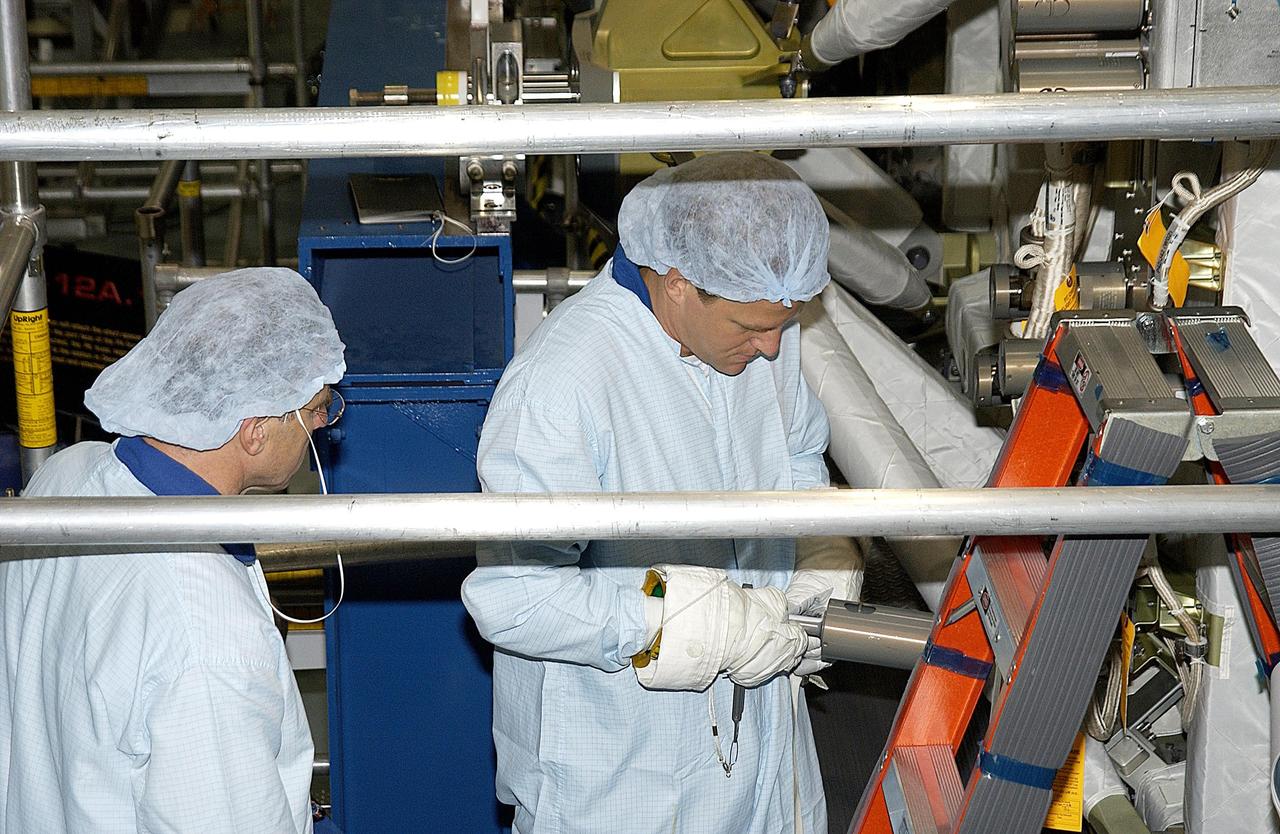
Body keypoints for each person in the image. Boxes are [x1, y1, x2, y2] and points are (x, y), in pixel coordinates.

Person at [462, 152, 863, 834]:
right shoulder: (563, 384)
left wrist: (819, 561)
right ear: (677, 282)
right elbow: (512, 599)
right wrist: (678, 624)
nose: (773, 348)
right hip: (620, 773)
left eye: (785, 323)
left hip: (762, 746)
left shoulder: (763, 325)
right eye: (750, 328)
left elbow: (797, 453)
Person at [0, 268, 346, 834]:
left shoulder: (67, 477)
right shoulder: (205, 631)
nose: (321, 428)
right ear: (255, 430)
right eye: (316, 411)